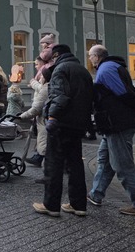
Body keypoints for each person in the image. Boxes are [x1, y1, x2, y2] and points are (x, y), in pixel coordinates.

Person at [86, 45, 135, 216]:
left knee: (122, 164)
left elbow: (123, 94)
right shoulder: (115, 66)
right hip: (114, 123)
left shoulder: (106, 70)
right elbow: (131, 90)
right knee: (105, 159)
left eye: (90, 55)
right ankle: (96, 194)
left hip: (117, 123)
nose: (89, 59)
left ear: (97, 56)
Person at [33, 44, 93, 217]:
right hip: (79, 124)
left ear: (57, 55)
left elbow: (60, 96)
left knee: (54, 164)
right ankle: (78, 205)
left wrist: (52, 117)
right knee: (75, 164)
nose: (50, 60)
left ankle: (51, 205)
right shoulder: (83, 71)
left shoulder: (61, 70)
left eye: (52, 57)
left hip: (62, 123)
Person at [20, 58, 50, 168]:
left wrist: (22, 116)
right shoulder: (48, 86)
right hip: (46, 118)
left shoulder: (45, 88)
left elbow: (36, 108)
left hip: (44, 119)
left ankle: (47, 170)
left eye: (42, 76)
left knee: (43, 141)